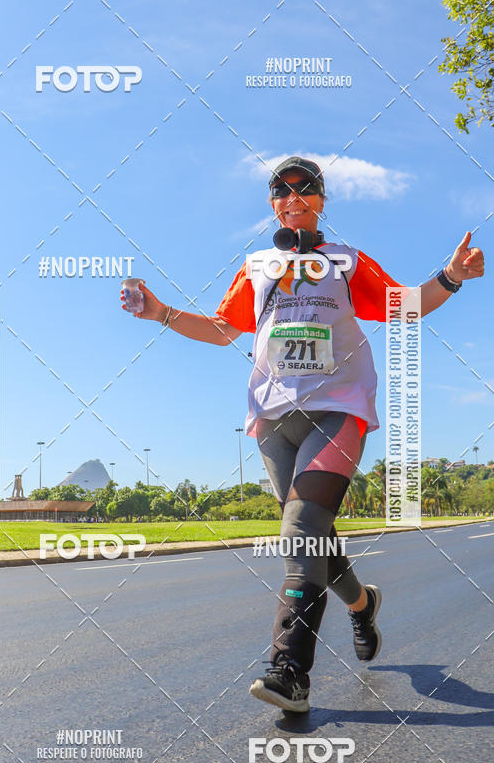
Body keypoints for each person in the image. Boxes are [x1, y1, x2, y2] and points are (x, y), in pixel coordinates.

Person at [120, 156, 485, 713]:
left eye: (304, 187)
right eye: (280, 189)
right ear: (272, 203)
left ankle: (289, 668)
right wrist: (161, 312)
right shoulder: (257, 265)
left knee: (303, 526)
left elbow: (404, 307)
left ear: (321, 199)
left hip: (337, 408)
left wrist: (451, 277)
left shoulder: (346, 260)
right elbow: (222, 331)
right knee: (313, 537)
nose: (292, 195)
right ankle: (362, 605)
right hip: (272, 417)